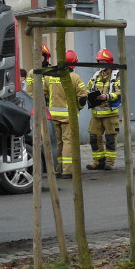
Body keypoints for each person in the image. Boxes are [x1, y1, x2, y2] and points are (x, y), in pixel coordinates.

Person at [47, 49, 87, 179]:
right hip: (69, 116)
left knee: (57, 143)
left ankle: (57, 170)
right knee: (68, 142)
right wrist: (78, 108)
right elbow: (83, 98)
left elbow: (45, 94)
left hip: (53, 116)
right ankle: (67, 171)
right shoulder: (75, 78)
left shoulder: (49, 76)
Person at [85, 48, 122, 171]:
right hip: (96, 114)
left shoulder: (116, 75)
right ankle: (98, 162)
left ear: (109, 62)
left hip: (110, 114)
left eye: (102, 62)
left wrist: (106, 96)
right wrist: (87, 96)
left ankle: (109, 163)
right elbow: (87, 88)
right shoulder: (96, 75)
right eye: (99, 62)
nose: (100, 65)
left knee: (110, 139)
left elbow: (119, 93)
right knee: (94, 139)